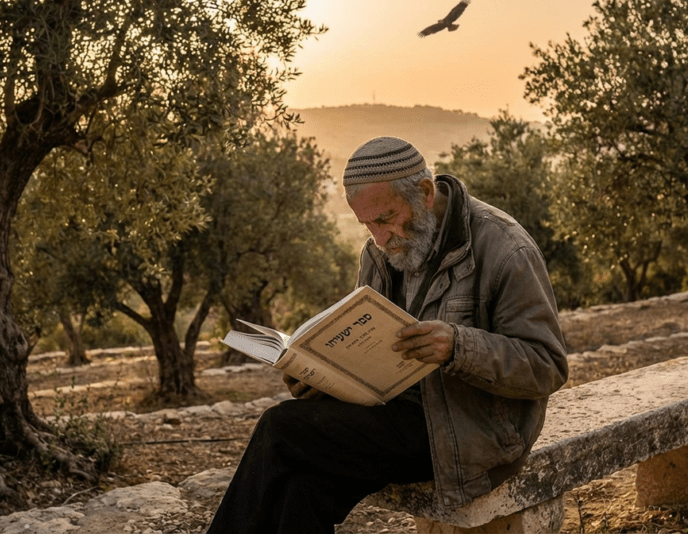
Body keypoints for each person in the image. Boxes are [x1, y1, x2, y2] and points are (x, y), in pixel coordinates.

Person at [207, 136, 569, 533]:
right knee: (304, 488)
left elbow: (547, 366)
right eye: (367, 224)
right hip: (396, 417)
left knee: (281, 427)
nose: (379, 238)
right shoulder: (380, 251)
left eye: (384, 218)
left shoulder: (505, 248)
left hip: (472, 433)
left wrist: (458, 346)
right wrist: (317, 378)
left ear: (425, 193)